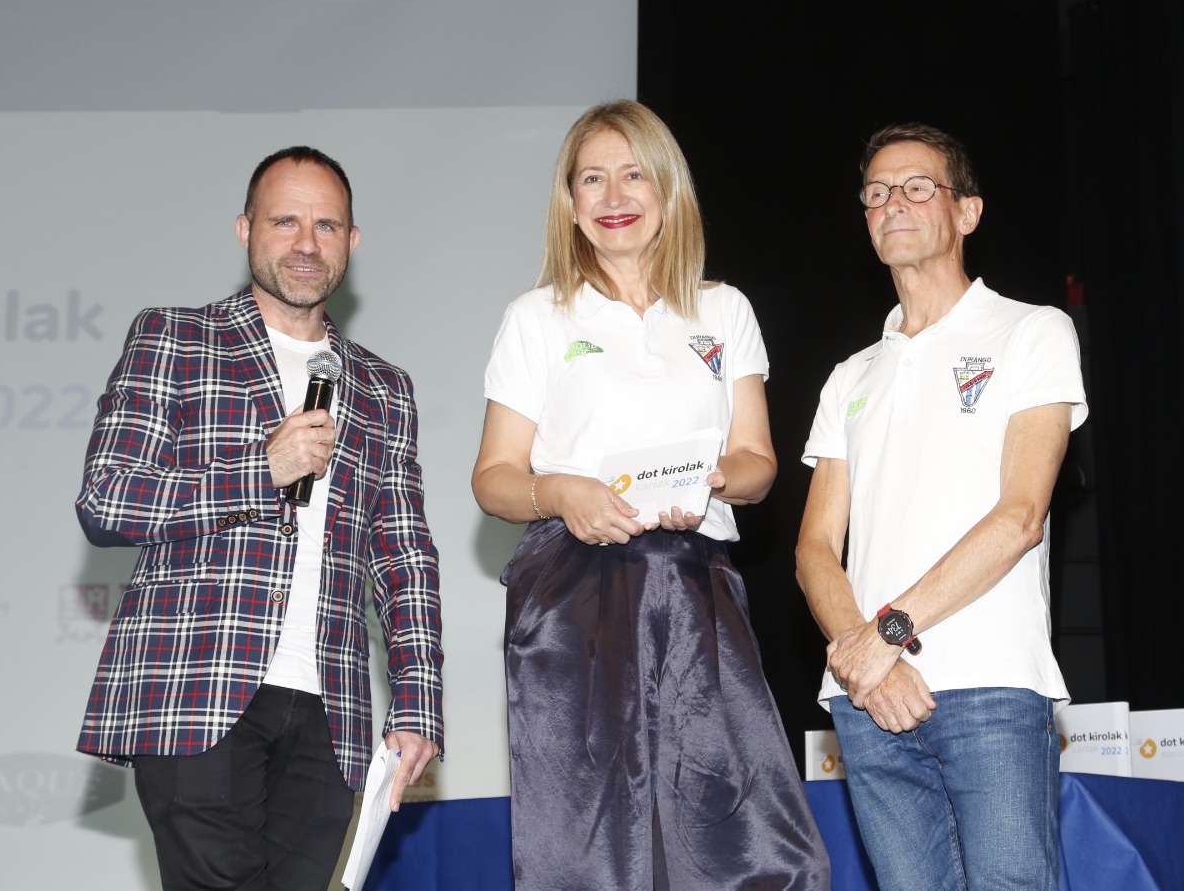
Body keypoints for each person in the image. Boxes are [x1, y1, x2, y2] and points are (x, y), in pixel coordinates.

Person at [471, 101, 830, 890]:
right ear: (570, 202)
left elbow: (758, 462)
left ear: (667, 189)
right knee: (587, 840)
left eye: (633, 174)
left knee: (735, 830)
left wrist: (713, 479)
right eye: (591, 179)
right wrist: (561, 491)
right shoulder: (536, 317)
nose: (613, 195)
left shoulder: (723, 308)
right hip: (572, 590)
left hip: (693, 581)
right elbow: (494, 477)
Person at [75, 146, 444, 891]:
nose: (307, 243)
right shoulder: (175, 337)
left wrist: (417, 704)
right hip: (196, 688)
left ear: (352, 241)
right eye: (285, 222)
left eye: (326, 226)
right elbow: (107, 498)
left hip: (331, 711)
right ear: (245, 229)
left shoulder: (384, 387)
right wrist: (258, 469)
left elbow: (404, 555)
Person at [795, 123, 1087, 891]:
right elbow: (814, 548)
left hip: (990, 683)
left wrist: (888, 633)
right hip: (868, 699)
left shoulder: (1032, 331)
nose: (893, 202)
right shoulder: (850, 375)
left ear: (967, 211)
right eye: (876, 193)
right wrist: (864, 661)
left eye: (917, 186)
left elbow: (1020, 516)